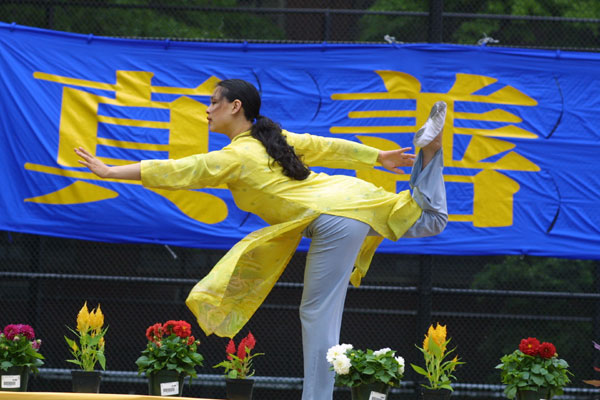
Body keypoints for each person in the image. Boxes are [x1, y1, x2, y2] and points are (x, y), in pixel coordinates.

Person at [75, 79, 447, 400]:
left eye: (213, 102)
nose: (207, 110)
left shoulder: (236, 155)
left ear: (235, 107)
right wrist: (377, 156)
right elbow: (324, 146)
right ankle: (430, 152)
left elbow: (179, 170)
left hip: (333, 217)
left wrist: (111, 171)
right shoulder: (271, 140)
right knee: (431, 220)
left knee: (317, 312)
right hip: (348, 199)